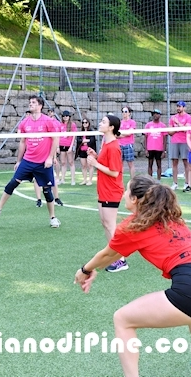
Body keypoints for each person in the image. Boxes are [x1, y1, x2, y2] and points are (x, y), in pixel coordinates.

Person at [75, 176, 191, 377]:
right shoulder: (170, 218)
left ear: (135, 199)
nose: (124, 194)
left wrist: (85, 269)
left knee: (122, 319)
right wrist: (95, 269)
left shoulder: (134, 226)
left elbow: (106, 254)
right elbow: (113, 255)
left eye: (127, 190)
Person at [0, 95, 61, 228]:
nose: (30, 104)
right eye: (30, 102)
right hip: (28, 161)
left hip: (43, 163)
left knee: (47, 191)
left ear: (40, 106)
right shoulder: (25, 123)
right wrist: (18, 161)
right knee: (12, 183)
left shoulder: (48, 121)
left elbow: (55, 139)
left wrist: (50, 158)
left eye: (33, 102)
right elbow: (22, 142)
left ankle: (53, 218)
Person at [86, 114, 127, 272]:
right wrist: (96, 156)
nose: (100, 123)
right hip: (104, 189)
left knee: (110, 225)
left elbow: (114, 172)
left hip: (112, 190)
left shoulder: (114, 147)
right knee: (106, 223)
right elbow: (106, 163)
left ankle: (121, 259)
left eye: (103, 122)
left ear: (111, 127)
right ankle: (113, 256)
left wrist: (95, 163)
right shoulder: (106, 143)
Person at [168, 101, 191, 190]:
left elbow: (186, 129)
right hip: (174, 142)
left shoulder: (189, 118)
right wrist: (178, 128)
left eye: (180, 106)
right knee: (174, 162)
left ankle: (187, 183)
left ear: (184, 108)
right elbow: (170, 132)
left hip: (184, 142)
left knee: (186, 162)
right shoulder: (172, 118)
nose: (178, 108)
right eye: (177, 106)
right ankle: (175, 183)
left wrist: (178, 124)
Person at [144, 109, 167, 179]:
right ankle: (150, 180)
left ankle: (158, 180)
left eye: (157, 114)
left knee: (159, 164)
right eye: (154, 114)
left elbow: (165, 139)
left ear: (160, 115)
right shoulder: (148, 125)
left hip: (159, 148)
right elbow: (145, 137)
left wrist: (164, 151)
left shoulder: (163, 126)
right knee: (150, 164)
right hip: (150, 148)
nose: (155, 115)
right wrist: (146, 149)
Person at [76, 117, 97, 186]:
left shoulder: (91, 131)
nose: (84, 124)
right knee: (83, 166)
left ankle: (90, 180)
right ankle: (84, 180)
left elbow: (92, 141)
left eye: (86, 122)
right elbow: (78, 140)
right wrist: (83, 141)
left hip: (89, 151)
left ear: (88, 123)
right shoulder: (81, 132)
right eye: (83, 122)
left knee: (90, 165)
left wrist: (85, 141)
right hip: (82, 151)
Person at [57, 110, 77, 185]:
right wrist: (57, 147)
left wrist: (71, 147)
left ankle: (73, 180)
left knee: (71, 162)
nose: (65, 117)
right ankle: (62, 179)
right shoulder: (60, 124)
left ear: (69, 117)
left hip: (69, 145)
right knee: (63, 162)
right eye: (64, 116)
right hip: (61, 145)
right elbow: (57, 136)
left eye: (66, 116)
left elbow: (74, 136)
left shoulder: (72, 125)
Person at [119, 106, 137, 180]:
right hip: (119, 145)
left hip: (128, 145)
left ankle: (133, 181)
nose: (124, 113)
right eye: (123, 112)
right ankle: (119, 180)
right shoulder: (120, 122)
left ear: (129, 113)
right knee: (120, 164)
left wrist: (122, 134)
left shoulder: (132, 122)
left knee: (130, 164)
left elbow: (130, 133)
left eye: (126, 111)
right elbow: (117, 134)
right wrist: (124, 134)